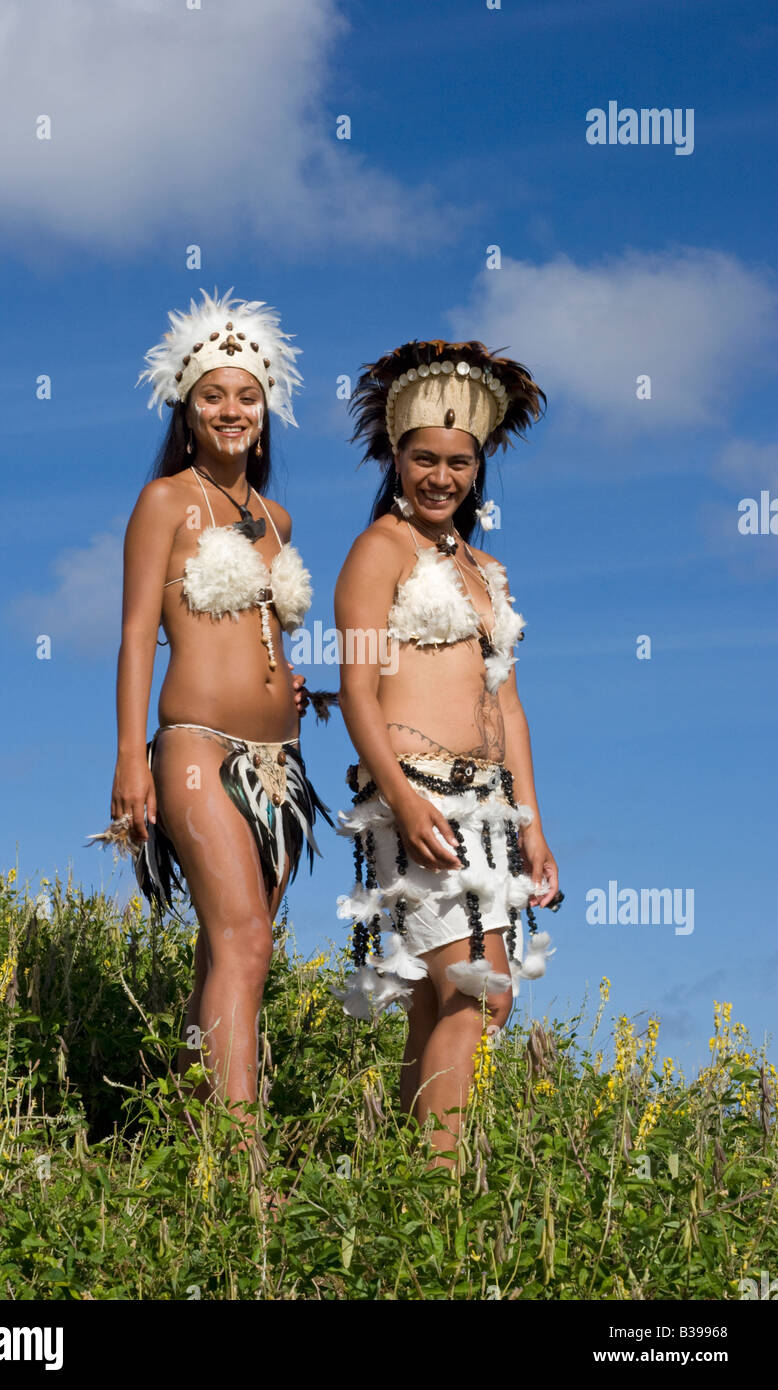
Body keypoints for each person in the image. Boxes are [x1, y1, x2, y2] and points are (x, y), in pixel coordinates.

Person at [91, 288, 332, 1126]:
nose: (231, 409)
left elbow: (261, 633)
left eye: (247, 395)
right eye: (213, 395)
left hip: (282, 766)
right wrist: (131, 757)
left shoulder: (278, 518)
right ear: (187, 409)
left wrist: (292, 684)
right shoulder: (165, 502)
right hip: (194, 747)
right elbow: (134, 635)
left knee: (224, 954)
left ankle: (193, 1147)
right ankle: (241, 1161)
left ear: (266, 412)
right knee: (246, 941)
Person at [331, 338, 561, 1167]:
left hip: (490, 804)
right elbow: (357, 689)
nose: (441, 477)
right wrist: (400, 795)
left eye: (458, 462)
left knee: (445, 1005)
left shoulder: (485, 569)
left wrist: (532, 826)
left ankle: (401, 1196)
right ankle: (436, 1199)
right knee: (477, 996)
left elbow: (507, 700)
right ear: (396, 458)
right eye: (424, 458)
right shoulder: (377, 552)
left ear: (480, 463)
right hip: (416, 792)